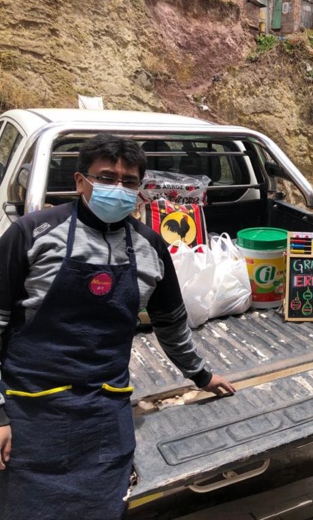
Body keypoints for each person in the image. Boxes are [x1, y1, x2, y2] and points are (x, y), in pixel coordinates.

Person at [0, 134, 236, 519]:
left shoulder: (150, 247)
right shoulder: (32, 234)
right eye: (106, 177)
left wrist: (202, 375)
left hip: (105, 408)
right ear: (80, 181)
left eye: (129, 182)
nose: (118, 188)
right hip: (32, 409)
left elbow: (171, 323)